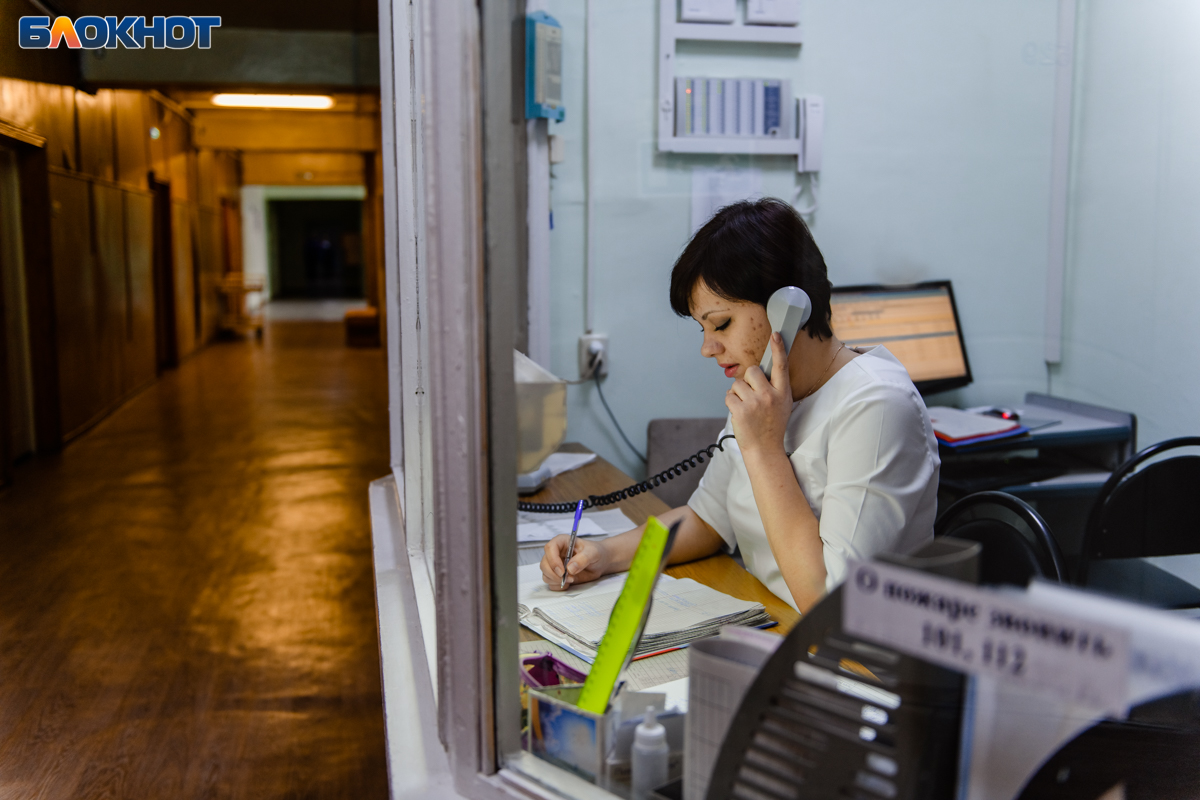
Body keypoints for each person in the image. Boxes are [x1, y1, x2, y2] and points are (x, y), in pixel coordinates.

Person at [539, 198, 940, 613]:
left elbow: (829, 605)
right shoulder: (765, 395)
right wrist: (604, 555)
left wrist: (764, 449)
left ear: (790, 308)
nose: (708, 348)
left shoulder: (876, 406)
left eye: (722, 324)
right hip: (773, 620)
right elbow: (708, 520)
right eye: (703, 329)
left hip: (858, 662)